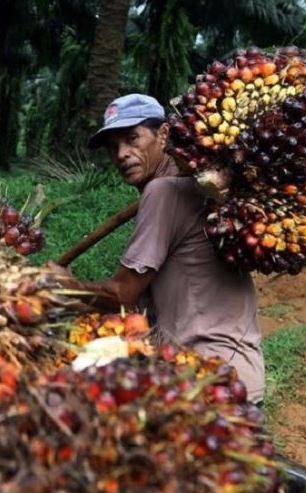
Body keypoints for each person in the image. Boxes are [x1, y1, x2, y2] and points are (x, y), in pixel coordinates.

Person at [50, 94, 265, 404]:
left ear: (164, 134)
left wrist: (68, 287)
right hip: (234, 377)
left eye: (132, 138)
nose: (122, 154)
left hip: (208, 381)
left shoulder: (163, 191)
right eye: (113, 147)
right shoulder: (194, 187)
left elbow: (123, 294)